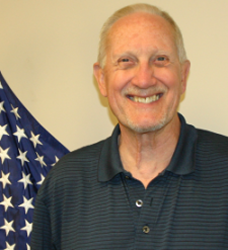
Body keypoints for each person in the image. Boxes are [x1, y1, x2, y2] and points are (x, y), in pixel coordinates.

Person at [31, 3, 228, 250]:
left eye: (161, 59)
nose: (144, 79)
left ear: (183, 75)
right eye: (126, 61)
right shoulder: (64, 184)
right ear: (102, 79)